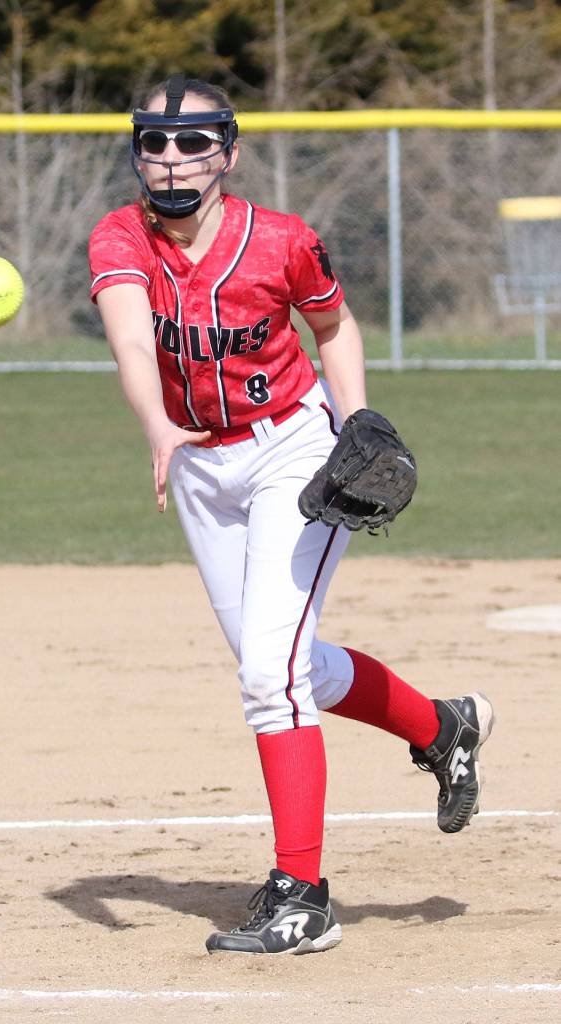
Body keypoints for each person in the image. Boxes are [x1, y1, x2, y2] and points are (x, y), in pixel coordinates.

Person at [88, 75, 494, 956]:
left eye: (192, 142)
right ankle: (442, 726)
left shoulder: (279, 241)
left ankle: (302, 896)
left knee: (269, 679)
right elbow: (127, 334)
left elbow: (334, 327)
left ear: (226, 153)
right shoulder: (121, 237)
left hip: (289, 453)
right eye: (153, 142)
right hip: (198, 461)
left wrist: (353, 424)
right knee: (285, 662)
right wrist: (158, 425)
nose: (170, 159)